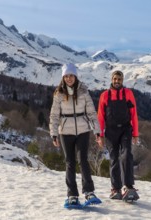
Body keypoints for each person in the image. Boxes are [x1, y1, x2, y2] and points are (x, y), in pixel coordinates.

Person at [49, 63, 103, 206]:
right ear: (63, 78)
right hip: (66, 132)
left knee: (83, 160)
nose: (69, 78)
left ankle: (89, 193)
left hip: (83, 130)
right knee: (70, 162)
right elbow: (54, 115)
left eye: (71, 75)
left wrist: (97, 131)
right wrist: (54, 134)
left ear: (75, 76)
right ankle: (72, 195)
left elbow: (92, 112)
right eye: (66, 76)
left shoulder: (84, 91)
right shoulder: (59, 93)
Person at [97, 70, 140, 201]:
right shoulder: (104, 96)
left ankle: (128, 186)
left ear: (122, 80)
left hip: (126, 129)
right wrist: (100, 135)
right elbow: (100, 117)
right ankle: (115, 189)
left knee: (126, 155)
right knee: (114, 158)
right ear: (111, 79)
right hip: (110, 131)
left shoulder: (128, 94)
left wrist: (135, 133)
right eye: (115, 79)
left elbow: (133, 114)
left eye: (119, 79)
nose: (117, 81)